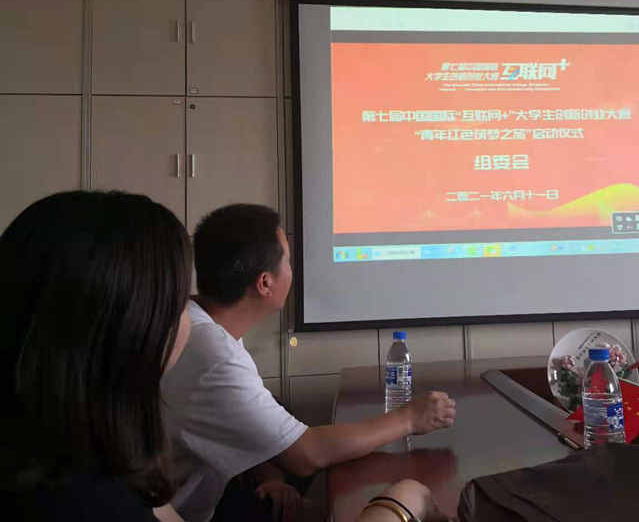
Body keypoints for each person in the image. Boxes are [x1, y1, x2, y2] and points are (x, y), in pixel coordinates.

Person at [162, 204, 457, 522]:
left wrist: (269, 475)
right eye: (288, 262)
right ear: (265, 283)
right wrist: (408, 419)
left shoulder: (201, 324)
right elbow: (307, 454)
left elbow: (239, 418)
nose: (293, 271)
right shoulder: (213, 353)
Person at [0, 191, 193, 521]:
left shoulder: (73, 457)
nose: (189, 318)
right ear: (131, 328)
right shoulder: (87, 504)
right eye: (182, 301)